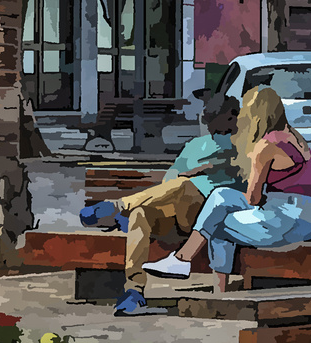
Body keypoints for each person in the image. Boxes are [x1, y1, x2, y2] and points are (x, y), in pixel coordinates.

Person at [78, 91, 244, 316]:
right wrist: (189, 173)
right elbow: (170, 178)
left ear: (232, 117)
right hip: (175, 215)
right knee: (141, 214)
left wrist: (203, 170)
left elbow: (243, 182)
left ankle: (118, 207)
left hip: (204, 218)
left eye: (217, 117)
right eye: (209, 117)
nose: (209, 122)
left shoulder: (241, 146)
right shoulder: (195, 145)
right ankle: (134, 292)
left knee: (183, 186)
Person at [145, 87, 311, 292]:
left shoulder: (265, 146)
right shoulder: (295, 137)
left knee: (217, 223)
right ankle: (186, 264)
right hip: (308, 221)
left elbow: (253, 199)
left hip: (284, 222)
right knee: (220, 199)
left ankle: (197, 272)